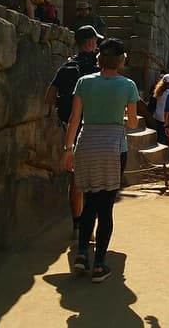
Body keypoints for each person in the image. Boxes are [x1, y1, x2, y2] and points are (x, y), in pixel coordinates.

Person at [62, 37, 139, 284]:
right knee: (106, 205)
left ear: (100, 58)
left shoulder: (84, 82)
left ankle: (82, 253)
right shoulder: (128, 85)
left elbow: (75, 118)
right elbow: (134, 122)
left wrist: (68, 149)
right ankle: (100, 264)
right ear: (121, 60)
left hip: (86, 142)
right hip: (113, 144)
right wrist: (122, 118)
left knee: (89, 200)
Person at [45, 25, 103, 238]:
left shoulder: (66, 67)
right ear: (89, 43)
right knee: (96, 180)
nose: (96, 46)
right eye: (95, 42)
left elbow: (49, 97)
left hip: (70, 128)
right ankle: (90, 225)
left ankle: (77, 225)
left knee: (76, 179)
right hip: (94, 127)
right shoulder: (98, 70)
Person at [151, 73, 169, 146]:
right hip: (166, 118)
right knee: (165, 137)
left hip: (158, 117)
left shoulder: (158, 91)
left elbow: (153, 104)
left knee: (160, 136)